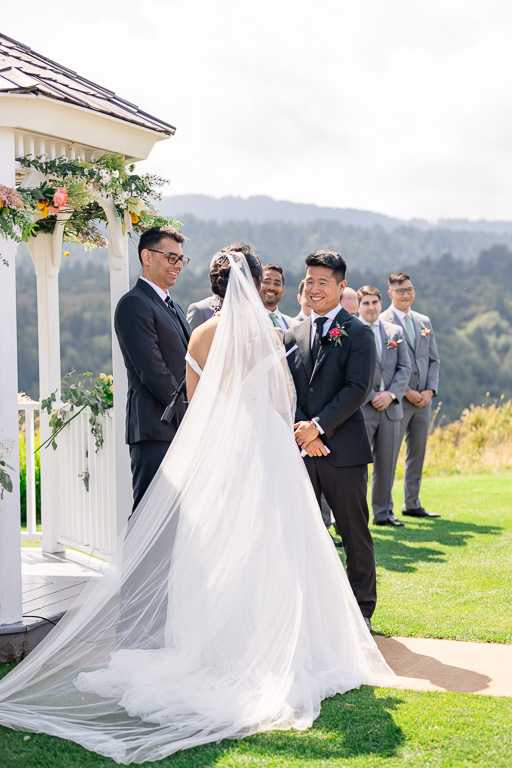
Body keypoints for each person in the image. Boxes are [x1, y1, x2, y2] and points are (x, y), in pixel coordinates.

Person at [0, 251, 395, 764]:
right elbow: (281, 401)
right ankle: (272, 647)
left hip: (221, 455)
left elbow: (195, 408)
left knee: (216, 547)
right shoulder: (271, 336)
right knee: (275, 547)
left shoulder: (201, 336)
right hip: (267, 452)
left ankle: (211, 651)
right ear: (252, 286)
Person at [284, 250, 378, 628]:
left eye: (323, 281)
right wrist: (303, 433)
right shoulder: (292, 333)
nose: (314, 288)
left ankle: (362, 611)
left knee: (353, 532)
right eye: (309, 280)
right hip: (301, 450)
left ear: (341, 287)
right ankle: (312, 609)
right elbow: (287, 389)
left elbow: (357, 388)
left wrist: (318, 427)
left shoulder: (359, 332)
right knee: (304, 531)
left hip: (345, 451)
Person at [114, 226, 190, 511]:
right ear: (147, 256)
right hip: (155, 429)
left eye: (181, 259)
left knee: (176, 519)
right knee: (149, 515)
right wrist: (191, 413)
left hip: (179, 427)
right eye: (171, 257)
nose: (178, 265)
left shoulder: (175, 307)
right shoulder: (133, 304)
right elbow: (153, 372)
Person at [380, 272, 441, 519]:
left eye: (409, 289)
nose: (406, 294)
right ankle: (384, 508)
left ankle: (412, 503)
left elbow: (434, 359)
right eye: (401, 290)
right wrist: (406, 392)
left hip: (423, 400)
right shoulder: (383, 321)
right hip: (398, 400)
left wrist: (429, 390)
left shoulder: (423, 321)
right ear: (390, 293)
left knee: (418, 451)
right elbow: (385, 364)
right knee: (389, 454)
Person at [357, 286, 411, 527]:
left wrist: (390, 395)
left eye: (374, 303)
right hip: (361, 408)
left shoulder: (395, 331)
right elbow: (349, 372)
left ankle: (383, 512)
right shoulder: (352, 331)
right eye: (366, 303)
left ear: (381, 304)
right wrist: (370, 396)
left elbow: (405, 368)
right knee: (358, 465)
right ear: (359, 306)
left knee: (387, 463)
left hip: (390, 408)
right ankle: (355, 515)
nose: (371, 307)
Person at [260, 264, 296, 330]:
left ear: (282, 290)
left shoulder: (295, 325)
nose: (271, 287)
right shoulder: (246, 319)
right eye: (266, 282)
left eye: (276, 284)